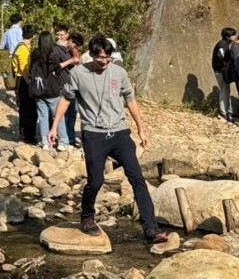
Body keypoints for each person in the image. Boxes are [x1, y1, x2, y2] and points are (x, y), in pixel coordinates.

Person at [48, 36, 168, 244]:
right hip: (94, 134)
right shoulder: (78, 73)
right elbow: (66, 99)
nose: (104, 61)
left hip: (119, 132)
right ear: (91, 55)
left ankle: (151, 227)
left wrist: (141, 130)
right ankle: (87, 217)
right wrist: (54, 127)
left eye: (108, 57)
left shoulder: (119, 72)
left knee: (137, 177)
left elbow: (130, 100)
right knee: (95, 181)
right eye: (100, 58)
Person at [29, 30, 68, 151]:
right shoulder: (53, 55)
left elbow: (30, 70)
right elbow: (57, 70)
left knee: (43, 117)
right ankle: (62, 141)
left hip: (39, 91)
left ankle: (45, 142)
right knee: (58, 116)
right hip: (53, 91)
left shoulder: (35, 54)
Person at [12, 27, 37, 145]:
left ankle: (24, 133)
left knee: (24, 109)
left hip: (22, 80)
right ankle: (28, 136)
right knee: (28, 109)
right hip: (23, 81)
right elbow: (23, 69)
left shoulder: (22, 46)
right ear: (32, 36)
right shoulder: (23, 49)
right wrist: (30, 83)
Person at [211, 27, 237, 121]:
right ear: (227, 37)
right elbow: (220, 56)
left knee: (226, 90)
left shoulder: (227, 43)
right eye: (233, 35)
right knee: (224, 90)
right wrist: (224, 67)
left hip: (222, 71)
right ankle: (223, 113)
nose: (235, 36)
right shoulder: (223, 44)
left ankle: (228, 111)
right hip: (220, 71)